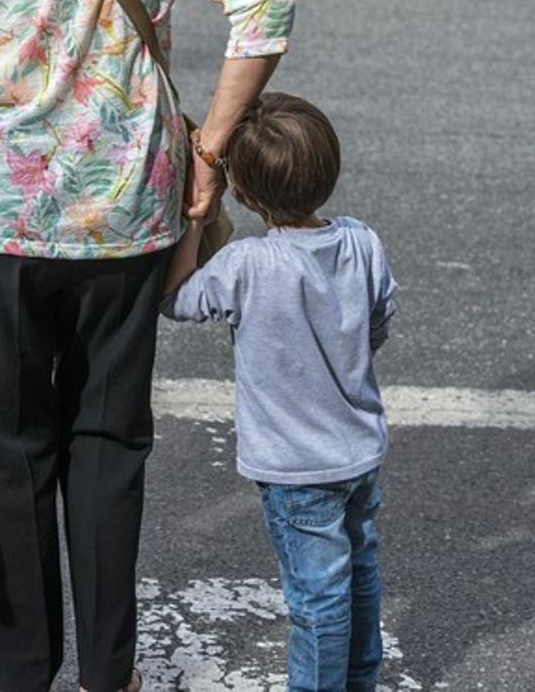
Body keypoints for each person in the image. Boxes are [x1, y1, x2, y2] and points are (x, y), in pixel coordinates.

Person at [0, 0, 294, 687]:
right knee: (109, 439)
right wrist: (209, 146)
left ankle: (20, 666)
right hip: (129, 206)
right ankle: (110, 671)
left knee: (5, 445)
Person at [161, 93, 399, 692]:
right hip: (358, 450)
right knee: (360, 571)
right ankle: (360, 680)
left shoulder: (245, 264)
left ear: (244, 192)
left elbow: (176, 299)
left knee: (317, 599)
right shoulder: (361, 242)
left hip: (295, 469)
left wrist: (196, 214)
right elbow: (379, 323)